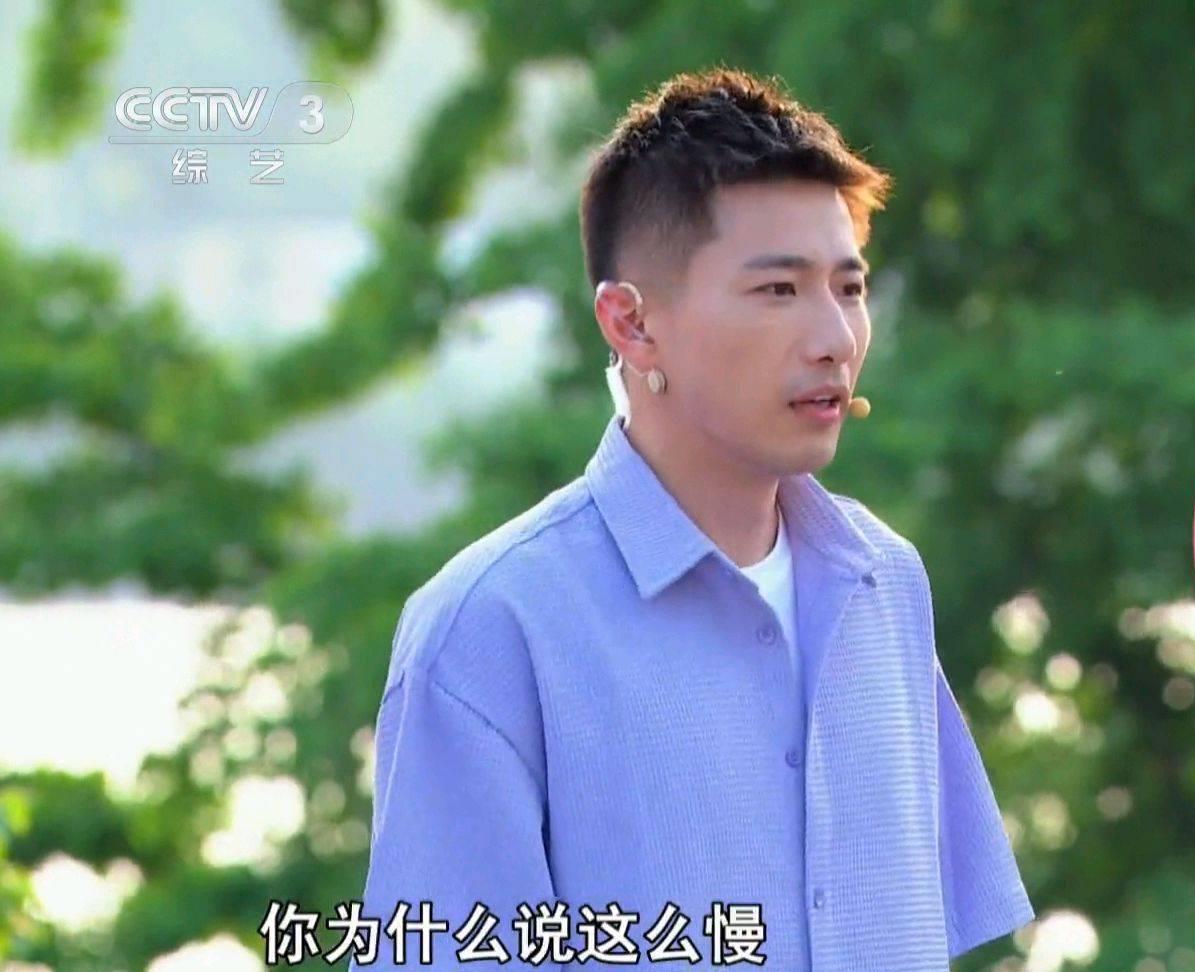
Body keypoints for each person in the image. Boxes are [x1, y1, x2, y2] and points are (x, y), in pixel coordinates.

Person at [355, 70, 1033, 970]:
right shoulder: (489, 629)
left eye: (849, 287)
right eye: (778, 290)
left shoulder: (883, 582)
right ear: (632, 324)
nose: (835, 339)